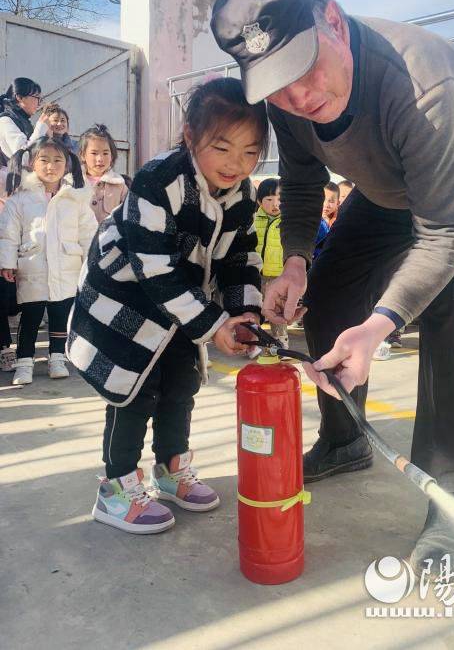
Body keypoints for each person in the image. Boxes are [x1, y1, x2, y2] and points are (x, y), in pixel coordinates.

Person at [211, 0, 454, 575]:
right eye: (276, 84)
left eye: (304, 68)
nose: (297, 96)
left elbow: (442, 233)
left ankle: (453, 497)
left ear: (332, 18)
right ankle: (345, 439)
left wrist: (380, 324)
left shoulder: (422, 82)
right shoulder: (284, 90)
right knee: (327, 296)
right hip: (385, 190)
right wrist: (296, 261)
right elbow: (301, 179)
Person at [67, 78, 267, 535]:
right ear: (190, 135)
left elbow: (240, 257)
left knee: (181, 383)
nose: (237, 164)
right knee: (133, 391)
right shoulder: (159, 179)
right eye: (222, 147)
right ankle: (116, 489)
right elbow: (153, 268)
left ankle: (170, 469)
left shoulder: (242, 194)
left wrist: (245, 313)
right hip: (126, 299)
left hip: (181, 305)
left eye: (251, 152)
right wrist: (214, 323)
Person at [0, 137, 97, 385]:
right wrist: (7, 262)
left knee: (60, 315)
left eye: (57, 160)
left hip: (67, 268)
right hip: (32, 268)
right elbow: (8, 233)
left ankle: (57, 358)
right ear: (32, 163)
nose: (51, 166)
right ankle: (24, 362)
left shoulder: (75, 198)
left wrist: (91, 262)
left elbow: (88, 233)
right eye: (44, 160)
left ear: (68, 165)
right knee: (30, 317)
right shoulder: (20, 199)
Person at [0, 78, 49, 373]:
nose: (38, 104)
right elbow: (25, 153)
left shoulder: (19, 120)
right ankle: (6, 347)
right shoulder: (7, 121)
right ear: (20, 98)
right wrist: (43, 128)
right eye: (35, 97)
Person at [254, 177, 288, 348]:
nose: (276, 204)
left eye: (280, 199)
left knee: (276, 309)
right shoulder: (253, 220)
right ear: (259, 201)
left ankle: (280, 340)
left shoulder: (287, 222)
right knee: (253, 307)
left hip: (277, 275)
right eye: (269, 199)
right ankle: (253, 340)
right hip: (256, 273)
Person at [78, 124, 128, 223]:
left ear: (112, 156)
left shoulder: (119, 185)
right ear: (83, 155)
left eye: (105, 153)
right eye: (94, 153)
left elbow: (129, 215)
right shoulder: (72, 182)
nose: (100, 159)